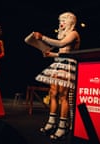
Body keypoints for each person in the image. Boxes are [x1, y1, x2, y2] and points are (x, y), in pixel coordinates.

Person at [32, 11, 80, 142]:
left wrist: (43, 38)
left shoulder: (74, 34)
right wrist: (50, 55)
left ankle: (63, 126)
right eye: (60, 21)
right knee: (53, 93)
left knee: (63, 96)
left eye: (64, 21)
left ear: (70, 22)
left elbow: (60, 45)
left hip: (68, 66)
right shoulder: (64, 34)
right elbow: (61, 52)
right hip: (59, 64)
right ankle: (51, 122)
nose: (61, 23)